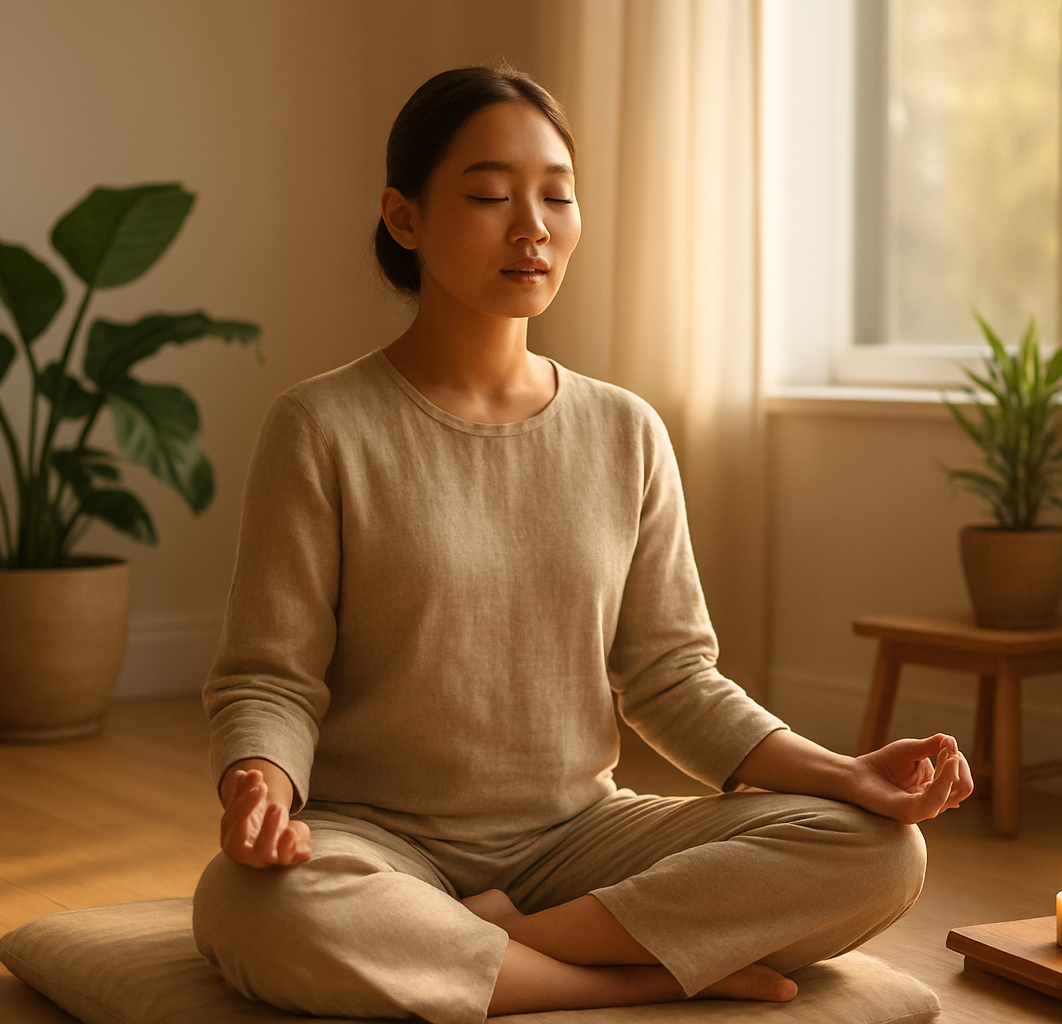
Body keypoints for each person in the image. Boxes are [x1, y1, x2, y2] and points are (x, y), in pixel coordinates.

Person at [192, 63, 973, 1024]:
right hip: (378, 838)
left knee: (879, 849)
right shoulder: (320, 425)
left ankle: (495, 948)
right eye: (489, 195)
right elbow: (271, 676)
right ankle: (630, 971)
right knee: (252, 905)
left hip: (578, 840)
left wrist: (845, 774)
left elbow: (671, 679)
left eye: (556, 196)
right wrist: (260, 779)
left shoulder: (624, 430)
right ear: (405, 218)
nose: (533, 227)